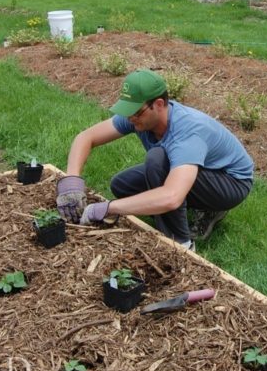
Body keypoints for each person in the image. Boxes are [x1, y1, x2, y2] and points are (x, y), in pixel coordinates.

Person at [56, 69, 254, 250]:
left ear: (158, 104)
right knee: (122, 186)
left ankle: (183, 243)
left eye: (136, 112)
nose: (130, 118)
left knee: (157, 160)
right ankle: (195, 209)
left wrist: (109, 208)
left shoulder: (187, 132)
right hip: (198, 172)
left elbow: (172, 196)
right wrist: (72, 181)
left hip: (230, 183)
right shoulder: (138, 116)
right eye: (127, 111)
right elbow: (86, 138)